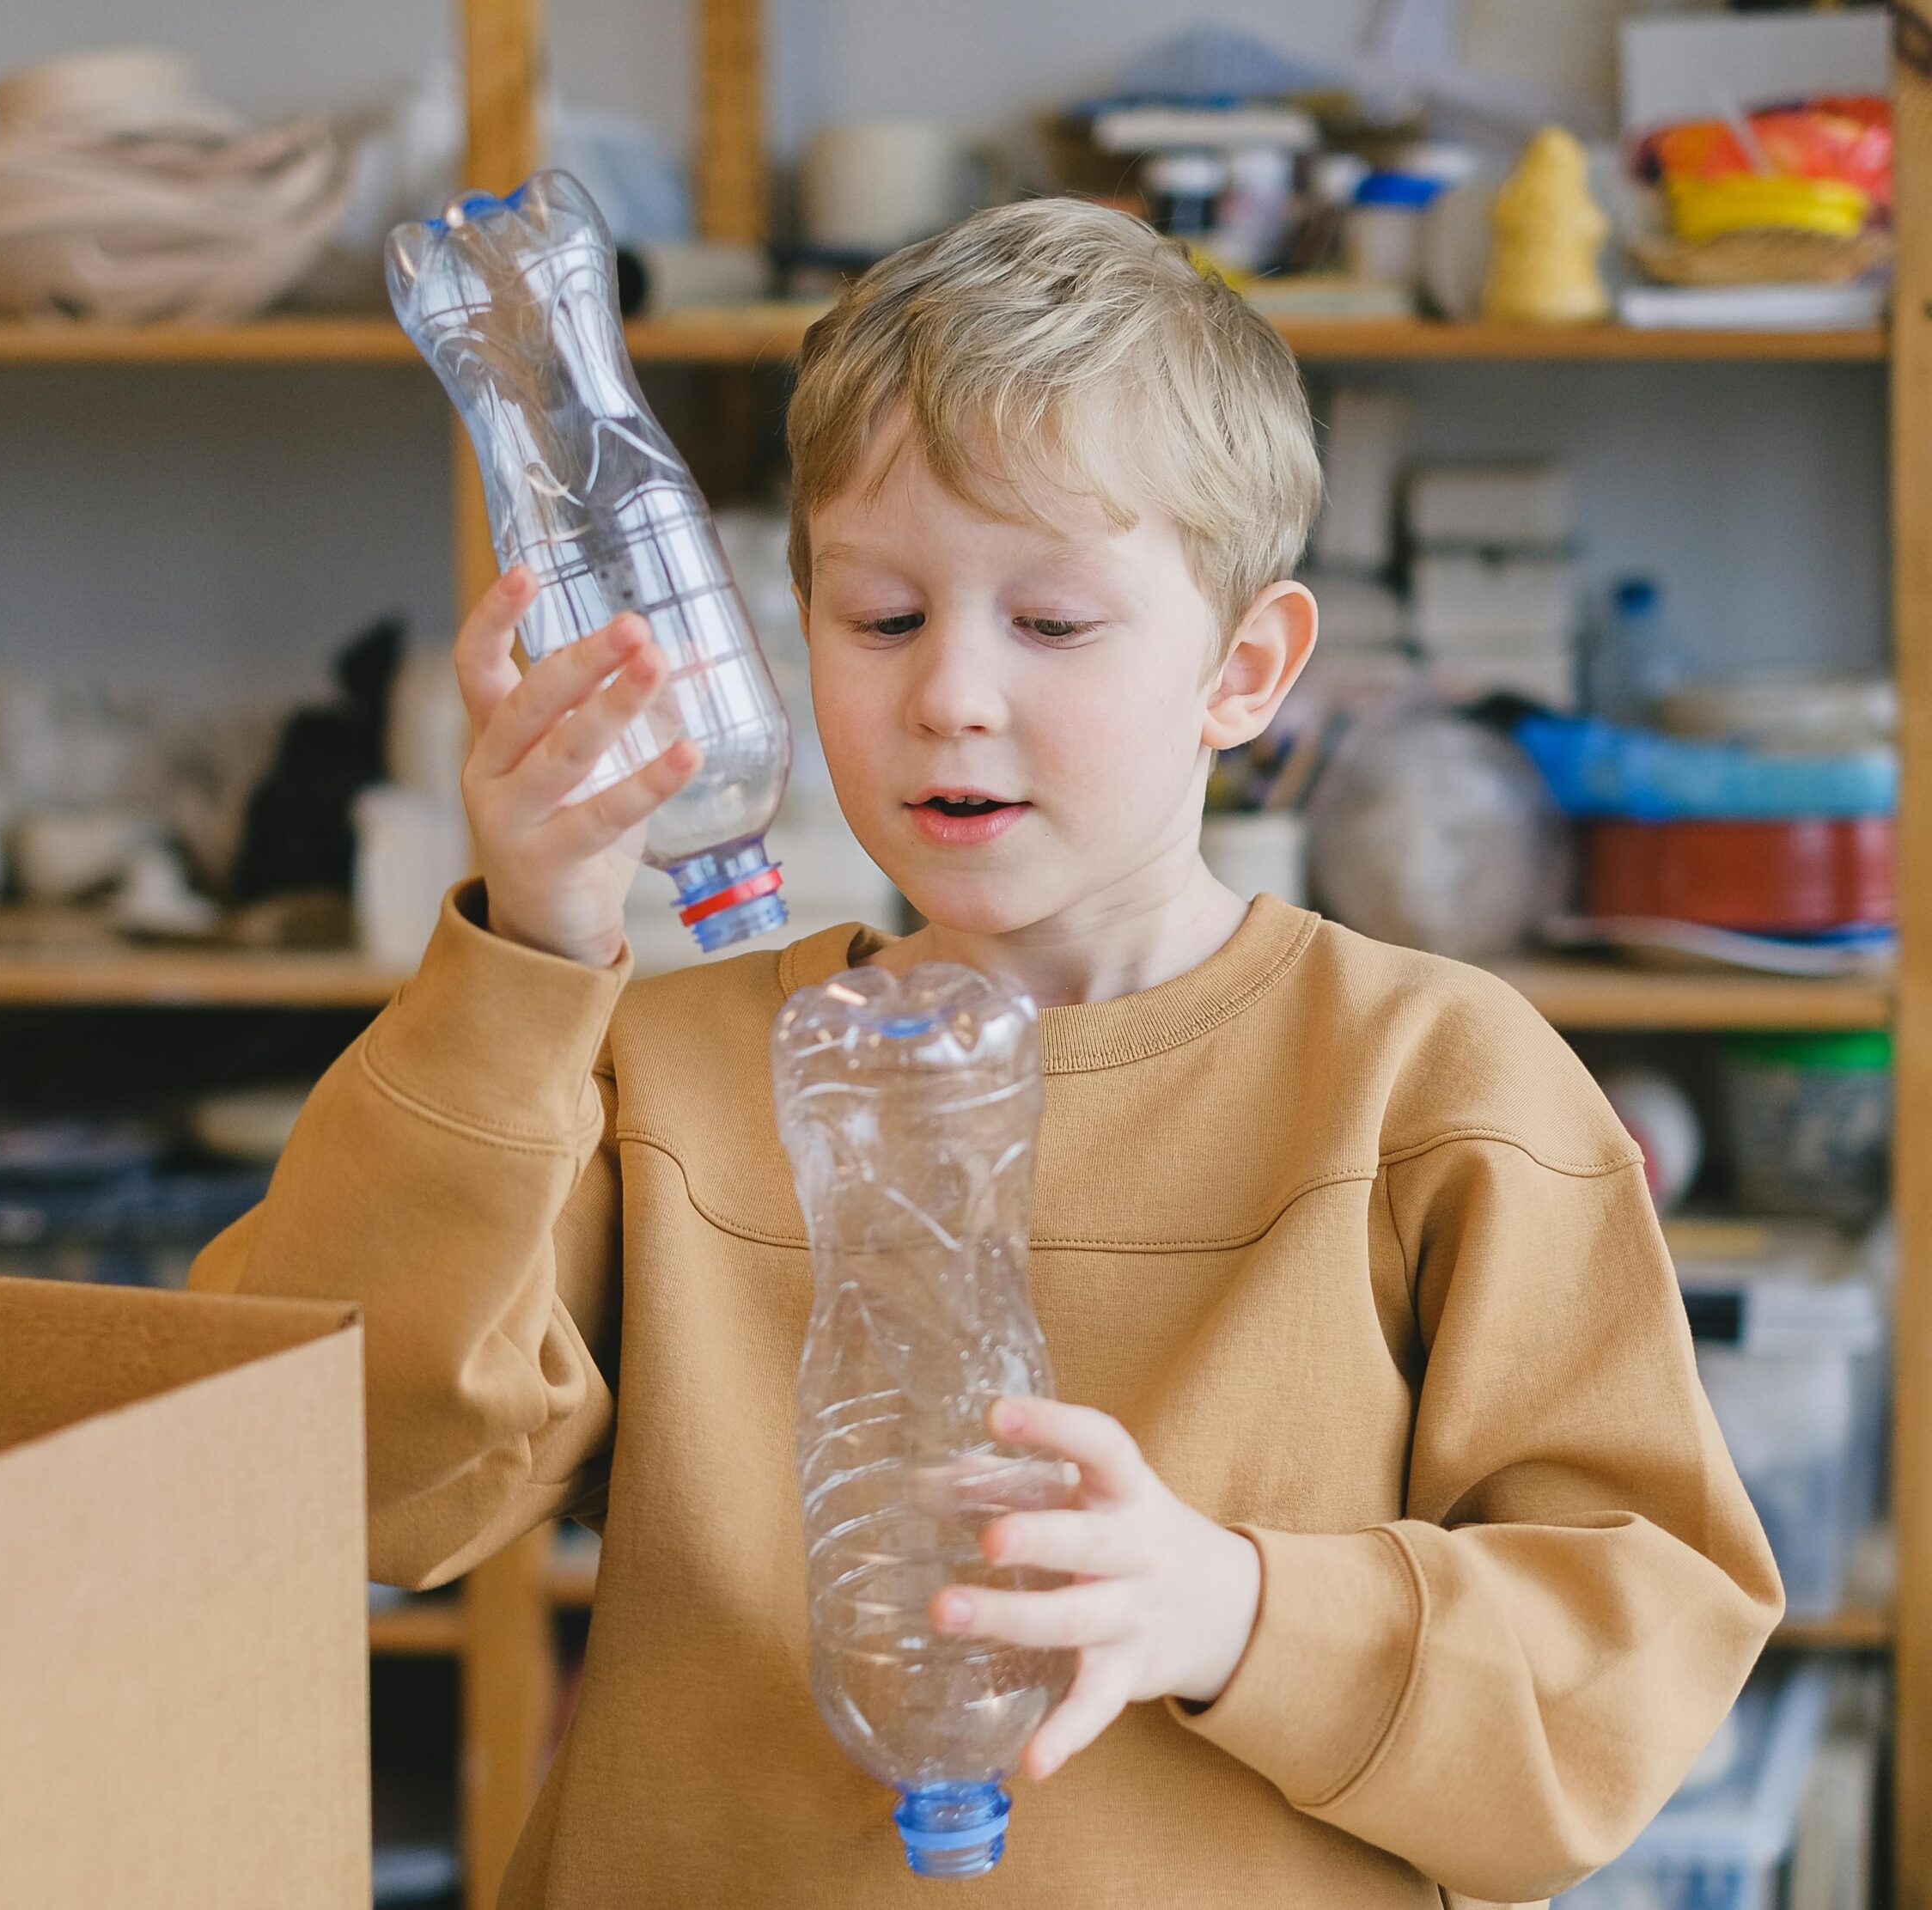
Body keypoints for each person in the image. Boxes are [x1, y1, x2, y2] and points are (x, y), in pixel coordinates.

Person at [192, 198, 1777, 1907]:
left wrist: (1233, 1608)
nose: (947, 692)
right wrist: (529, 946)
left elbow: (1622, 1675)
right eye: (879, 619)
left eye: (1050, 624)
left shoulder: (1429, 1080)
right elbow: (336, 1478)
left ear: (1243, 669)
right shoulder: (661, 1065)